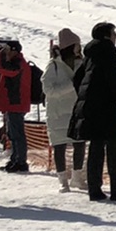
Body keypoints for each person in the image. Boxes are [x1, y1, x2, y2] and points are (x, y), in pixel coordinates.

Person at [72, 21, 116, 201]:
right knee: (114, 149)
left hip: (91, 107)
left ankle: (94, 189)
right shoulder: (108, 51)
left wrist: (86, 95)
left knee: (96, 149)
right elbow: (114, 79)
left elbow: (77, 78)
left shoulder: (90, 54)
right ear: (107, 35)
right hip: (108, 107)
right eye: (114, 33)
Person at [45, 29, 86, 191]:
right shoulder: (53, 65)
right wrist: (71, 85)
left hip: (76, 111)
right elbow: (48, 90)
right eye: (77, 45)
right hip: (58, 113)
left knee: (80, 144)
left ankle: (77, 178)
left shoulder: (80, 63)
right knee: (59, 146)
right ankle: (62, 180)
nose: (79, 48)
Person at [0, 39, 31, 173]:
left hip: (16, 103)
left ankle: (20, 161)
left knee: (17, 134)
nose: (5, 53)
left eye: (7, 50)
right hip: (14, 103)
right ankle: (16, 159)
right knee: (13, 134)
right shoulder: (17, 63)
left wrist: (0, 56)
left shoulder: (17, 64)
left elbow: (2, 69)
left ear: (14, 51)